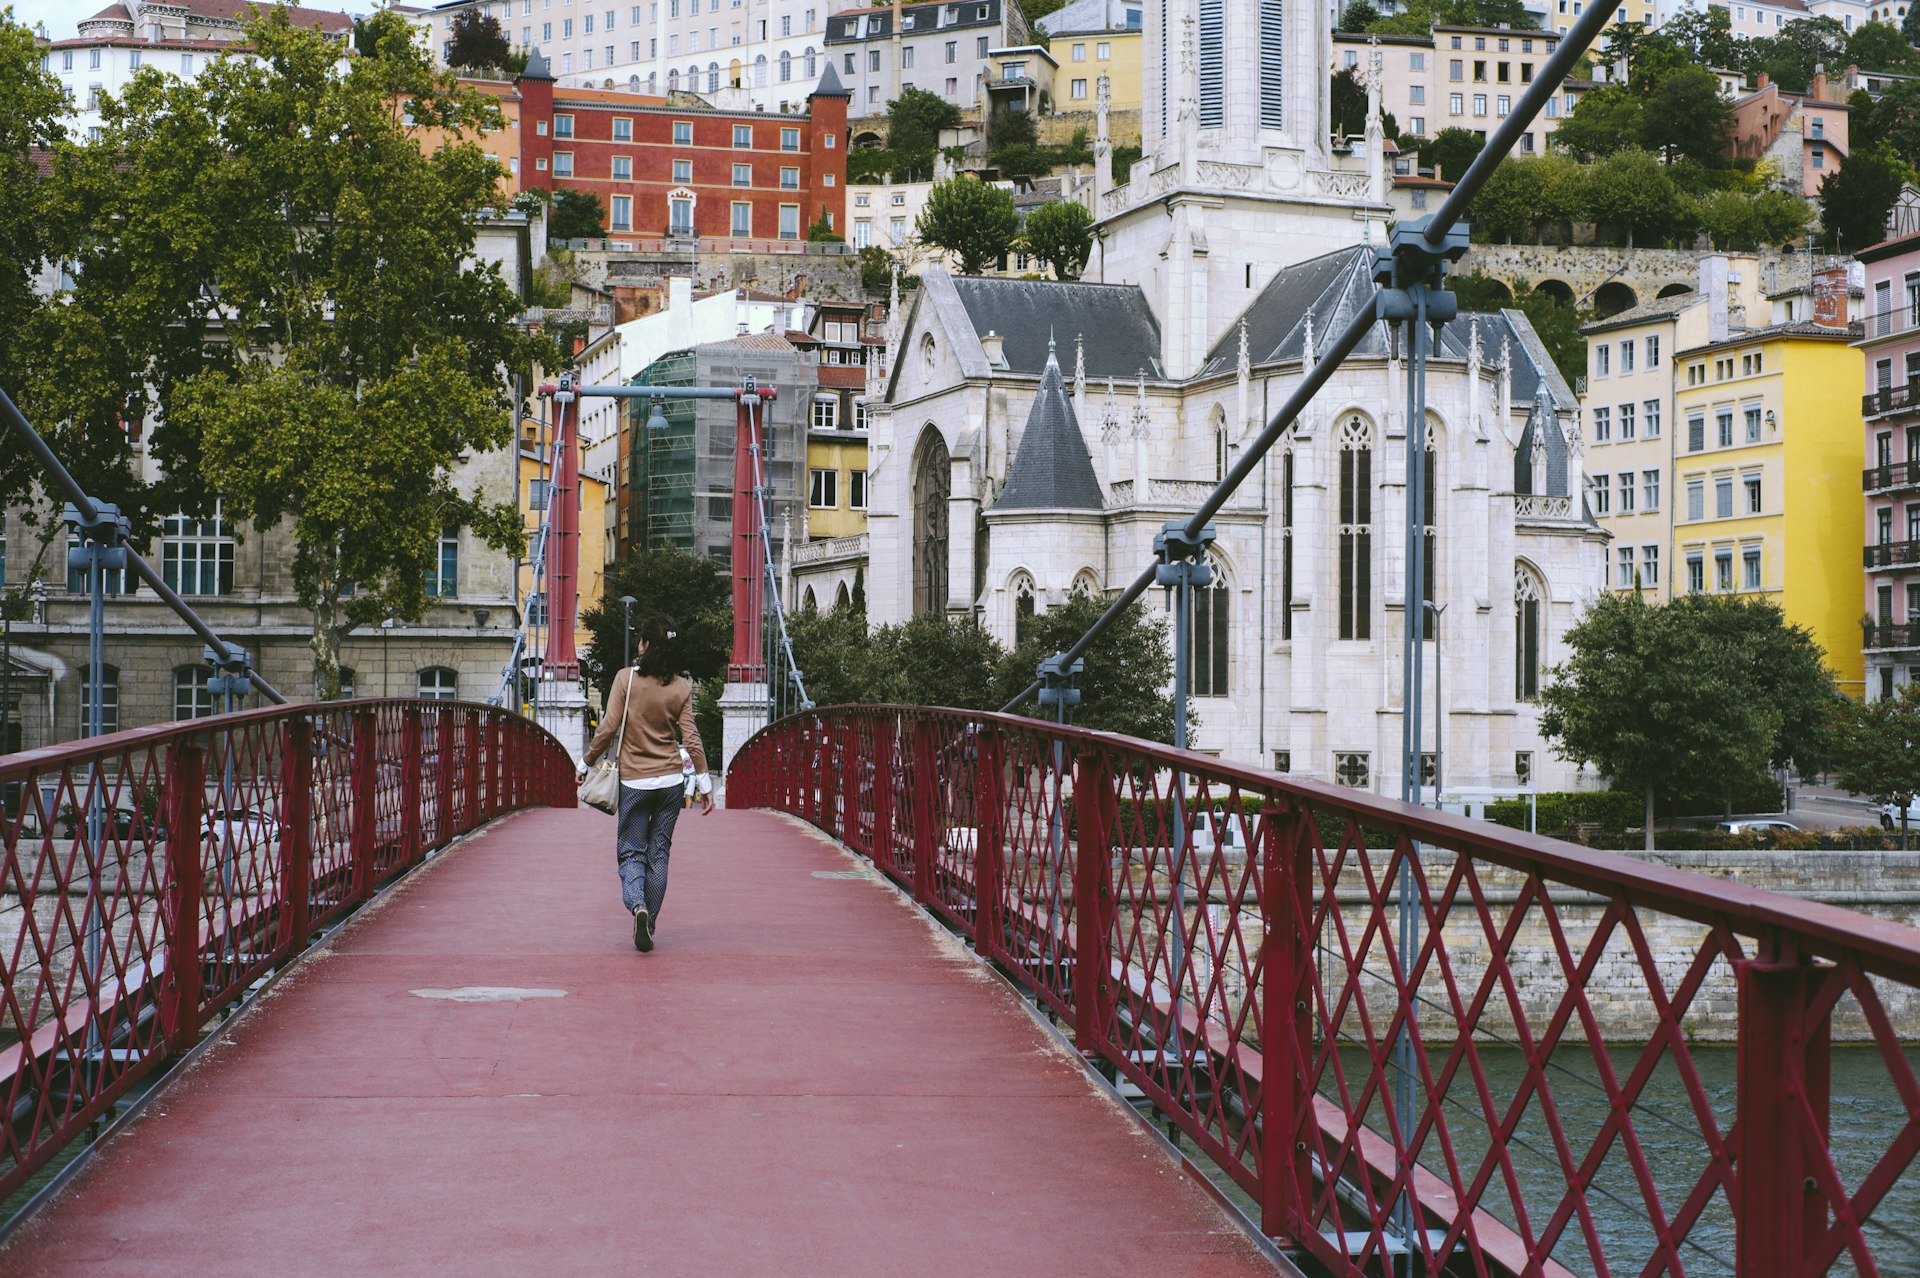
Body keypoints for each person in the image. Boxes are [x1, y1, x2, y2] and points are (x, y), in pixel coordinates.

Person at [579, 615, 714, 951]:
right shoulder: (681, 688)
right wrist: (704, 783)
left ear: (646, 645)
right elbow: (692, 739)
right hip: (670, 784)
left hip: (635, 784)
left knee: (632, 852)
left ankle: (637, 905)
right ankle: (649, 920)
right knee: (659, 855)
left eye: (641, 639)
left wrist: (586, 762)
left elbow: (608, 727)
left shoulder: (626, 680)